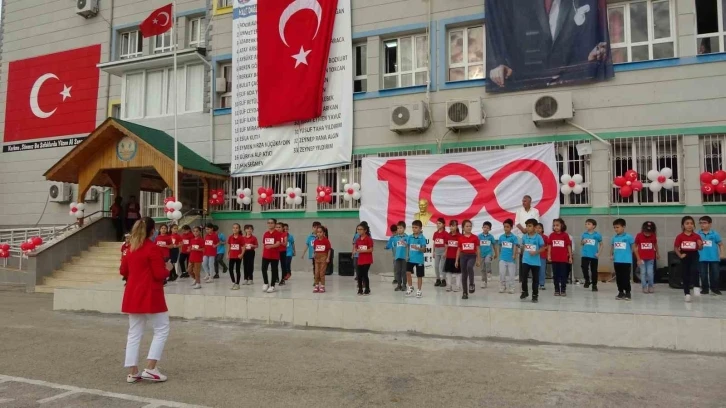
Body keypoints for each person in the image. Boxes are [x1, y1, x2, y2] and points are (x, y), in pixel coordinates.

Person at [485, 0, 612, 92]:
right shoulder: (513, 6)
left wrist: (589, 59)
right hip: (527, 89)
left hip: (573, 87)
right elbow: (501, 36)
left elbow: (578, 46)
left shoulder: (580, 4)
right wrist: (501, 64)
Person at [120, 217, 173, 383]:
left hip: (132, 293)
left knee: (134, 333)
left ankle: (133, 371)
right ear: (152, 231)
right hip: (151, 294)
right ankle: (150, 368)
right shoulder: (153, 248)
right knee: (162, 329)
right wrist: (168, 270)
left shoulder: (129, 248)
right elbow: (159, 274)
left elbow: (123, 270)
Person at [674, 216, 703, 302]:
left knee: (695, 270)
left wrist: (700, 245)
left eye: (691, 223)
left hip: (694, 254)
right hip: (685, 255)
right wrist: (680, 255)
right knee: (685, 274)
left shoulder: (696, 236)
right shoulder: (680, 236)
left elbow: (700, 248)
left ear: (694, 225)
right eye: (687, 223)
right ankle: (687, 293)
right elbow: (676, 247)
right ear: (683, 225)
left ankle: (696, 286)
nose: (689, 225)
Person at [520, 219, 545, 303]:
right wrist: (521, 248)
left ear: (534, 227)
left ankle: (535, 295)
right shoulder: (524, 236)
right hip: (525, 260)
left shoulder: (538, 237)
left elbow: (543, 248)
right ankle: (525, 291)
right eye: (526, 226)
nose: (528, 228)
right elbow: (522, 245)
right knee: (523, 277)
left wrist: (536, 252)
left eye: (530, 226)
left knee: (535, 279)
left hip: (535, 262)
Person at [514, 195, 540, 274]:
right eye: (523, 201)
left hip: (531, 236)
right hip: (520, 235)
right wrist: (523, 229)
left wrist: (528, 230)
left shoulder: (535, 211)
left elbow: (536, 222)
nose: (523, 202)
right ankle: (520, 275)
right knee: (520, 254)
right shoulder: (519, 211)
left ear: (530, 202)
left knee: (529, 252)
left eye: (525, 201)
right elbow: (517, 222)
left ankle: (530, 273)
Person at [611, 218, 636, 301]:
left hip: (626, 261)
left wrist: (629, 255)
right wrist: (611, 255)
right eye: (614, 227)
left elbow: (633, 248)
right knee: (618, 277)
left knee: (626, 277)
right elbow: (612, 247)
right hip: (617, 261)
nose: (616, 229)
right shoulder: (614, 238)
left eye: (617, 227)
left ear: (623, 227)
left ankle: (628, 292)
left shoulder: (628, 237)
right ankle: (620, 292)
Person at [456, 219, 481, 300]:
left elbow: (477, 249)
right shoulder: (460, 238)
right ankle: (465, 292)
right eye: (467, 226)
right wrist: (456, 260)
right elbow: (459, 249)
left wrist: (478, 260)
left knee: (470, 266)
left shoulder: (475, 237)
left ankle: (471, 283)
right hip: (463, 256)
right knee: (464, 275)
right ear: (463, 228)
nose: (469, 228)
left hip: (472, 256)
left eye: (470, 226)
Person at [698, 216, 723, 296]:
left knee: (715, 274)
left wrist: (722, 253)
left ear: (710, 224)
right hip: (702, 257)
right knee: (703, 274)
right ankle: (705, 289)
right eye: (701, 223)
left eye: (704, 223)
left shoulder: (715, 234)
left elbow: (721, 244)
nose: (702, 225)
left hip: (714, 258)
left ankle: (715, 289)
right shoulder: (697, 234)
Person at [548, 218, 572, 296]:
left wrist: (570, 257)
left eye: (557, 225)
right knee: (555, 275)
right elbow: (549, 246)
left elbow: (568, 246)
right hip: (554, 259)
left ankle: (563, 289)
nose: (555, 227)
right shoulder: (551, 235)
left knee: (563, 275)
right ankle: (557, 289)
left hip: (563, 259)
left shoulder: (565, 235)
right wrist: (549, 255)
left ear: (562, 225)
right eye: (554, 225)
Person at [405, 220, 427, 298]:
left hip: (419, 260)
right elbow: (407, 246)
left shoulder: (422, 238)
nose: (414, 229)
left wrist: (418, 248)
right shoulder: (410, 237)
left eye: (416, 227)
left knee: (419, 275)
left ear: (420, 228)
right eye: (413, 227)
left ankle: (419, 290)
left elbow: (424, 249)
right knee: (408, 272)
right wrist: (407, 255)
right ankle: (410, 287)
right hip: (410, 259)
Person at [635, 221, 659, 294]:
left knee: (650, 272)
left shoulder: (653, 236)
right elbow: (635, 248)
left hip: (650, 258)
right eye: (646, 232)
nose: (647, 234)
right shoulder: (639, 236)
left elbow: (655, 245)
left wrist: (657, 253)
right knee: (643, 272)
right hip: (641, 258)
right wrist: (638, 258)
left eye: (649, 232)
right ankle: (644, 286)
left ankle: (651, 286)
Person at [498, 219, 519, 294]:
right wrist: (500, 255)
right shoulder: (501, 237)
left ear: (511, 227)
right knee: (502, 273)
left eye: (507, 227)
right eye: (504, 227)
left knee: (511, 275)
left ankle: (512, 287)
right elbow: (500, 246)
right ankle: (503, 286)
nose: (506, 228)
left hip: (511, 259)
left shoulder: (514, 237)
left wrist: (514, 255)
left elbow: (515, 247)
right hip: (502, 258)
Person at [262, 218, 282, 293]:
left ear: (275, 224)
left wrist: (270, 246)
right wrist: (263, 253)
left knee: (274, 270)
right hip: (266, 255)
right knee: (263, 269)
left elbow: (278, 243)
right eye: (268, 223)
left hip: (274, 255)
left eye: (271, 223)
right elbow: (264, 244)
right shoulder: (266, 233)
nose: (270, 224)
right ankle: (266, 283)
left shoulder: (277, 233)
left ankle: (272, 285)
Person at [386, 221, 408, 292]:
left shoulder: (407, 237)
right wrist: (387, 247)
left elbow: (409, 246)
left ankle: (404, 285)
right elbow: (391, 245)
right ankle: (399, 284)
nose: (399, 229)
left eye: (401, 228)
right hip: (397, 257)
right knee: (397, 271)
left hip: (404, 257)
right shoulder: (395, 238)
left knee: (404, 272)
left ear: (404, 228)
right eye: (398, 228)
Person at [580, 218, 602, 291]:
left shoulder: (597, 235)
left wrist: (599, 253)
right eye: (586, 224)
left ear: (594, 226)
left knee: (594, 271)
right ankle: (587, 280)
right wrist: (583, 241)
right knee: (584, 268)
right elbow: (581, 243)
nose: (586, 225)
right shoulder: (584, 234)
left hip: (593, 255)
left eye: (589, 224)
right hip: (585, 254)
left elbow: (602, 244)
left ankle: (594, 285)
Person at [354, 223, 374, 295]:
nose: (359, 231)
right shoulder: (358, 239)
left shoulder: (368, 239)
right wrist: (356, 250)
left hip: (367, 259)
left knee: (365, 274)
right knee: (359, 275)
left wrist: (362, 250)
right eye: (358, 229)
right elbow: (356, 247)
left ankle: (367, 288)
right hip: (360, 259)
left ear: (365, 230)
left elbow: (371, 249)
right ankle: (360, 289)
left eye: (360, 229)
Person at [312, 226, 332, 293]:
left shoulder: (326, 240)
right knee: (316, 272)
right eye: (318, 232)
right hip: (317, 258)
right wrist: (314, 254)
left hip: (324, 257)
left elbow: (329, 250)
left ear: (323, 233)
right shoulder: (315, 241)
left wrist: (328, 258)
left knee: (321, 273)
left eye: (320, 232)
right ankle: (317, 285)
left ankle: (322, 286)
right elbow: (315, 249)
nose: (319, 233)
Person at [478, 221, 496, 290]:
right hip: (481, 254)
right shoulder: (479, 236)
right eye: (484, 227)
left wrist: (496, 253)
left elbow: (494, 245)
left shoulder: (491, 237)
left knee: (487, 261)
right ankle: (484, 281)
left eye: (487, 228)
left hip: (489, 253)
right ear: (482, 228)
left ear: (490, 229)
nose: (485, 229)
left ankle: (489, 272)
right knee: (482, 269)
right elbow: (477, 246)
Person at [302, 221, 321, 286]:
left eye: (317, 227)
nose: (316, 229)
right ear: (312, 228)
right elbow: (307, 245)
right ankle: (315, 279)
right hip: (313, 255)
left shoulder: (321, 236)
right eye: (314, 227)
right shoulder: (310, 237)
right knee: (315, 267)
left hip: (320, 255)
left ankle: (319, 278)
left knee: (320, 268)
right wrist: (303, 253)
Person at [444, 220, 461, 292]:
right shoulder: (448, 235)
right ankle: (449, 285)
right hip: (449, 256)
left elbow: (460, 248)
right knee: (448, 272)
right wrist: (445, 252)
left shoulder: (460, 236)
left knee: (458, 272)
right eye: (450, 225)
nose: (451, 227)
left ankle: (458, 286)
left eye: (453, 225)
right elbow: (446, 245)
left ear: (456, 226)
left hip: (457, 257)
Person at [227, 223, 245, 290]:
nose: (235, 229)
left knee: (237, 270)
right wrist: (228, 253)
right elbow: (229, 246)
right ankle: (233, 282)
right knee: (230, 269)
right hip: (232, 256)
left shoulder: (241, 238)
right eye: (234, 228)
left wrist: (242, 254)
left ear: (239, 229)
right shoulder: (230, 237)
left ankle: (237, 284)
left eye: (236, 228)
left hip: (238, 256)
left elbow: (244, 247)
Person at [433, 218, 449, 287]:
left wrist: (445, 252)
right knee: (436, 266)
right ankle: (438, 279)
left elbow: (446, 244)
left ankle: (444, 280)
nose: (438, 225)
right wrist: (433, 251)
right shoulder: (435, 233)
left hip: (443, 251)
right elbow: (434, 243)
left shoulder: (445, 233)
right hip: (436, 251)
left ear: (443, 224)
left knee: (442, 266)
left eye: (440, 223)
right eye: (437, 223)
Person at [536, 222, 549, 290]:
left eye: (539, 228)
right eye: (536, 228)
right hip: (534, 257)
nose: (538, 229)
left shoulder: (545, 237)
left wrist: (544, 248)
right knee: (535, 271)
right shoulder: (533, 237)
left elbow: (549, 245)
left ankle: (542, 284)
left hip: (542, 256)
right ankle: (536, 283)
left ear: (542, 229)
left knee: (542, 270)